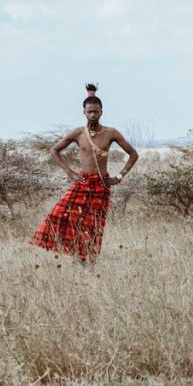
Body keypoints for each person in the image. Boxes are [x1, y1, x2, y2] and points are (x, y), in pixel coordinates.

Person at [31, 83, 139, 264]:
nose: (92, 115)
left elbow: (133, 154)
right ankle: (77, 255)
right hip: (82, 182)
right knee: (62, 217)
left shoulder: (111, 133)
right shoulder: (78, 133)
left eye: (96, 112)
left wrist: (119, 177)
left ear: (102, 112)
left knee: (95, 226)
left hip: (102, 185)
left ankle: (90, 261)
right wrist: (69, 172)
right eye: (89, 112)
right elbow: (54, 150)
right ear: (84, 112)